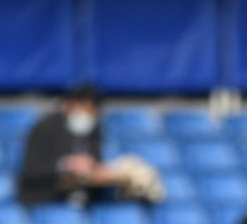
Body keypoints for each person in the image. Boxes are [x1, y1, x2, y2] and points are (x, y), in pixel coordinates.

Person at [18, 85, 164, 207]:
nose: (87, 116)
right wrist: (66, 165)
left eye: (92, 112)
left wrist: (103, 173)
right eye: (84, 109)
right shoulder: (44, 128)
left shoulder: (94, 130)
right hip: (45, 199)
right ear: (70, 105)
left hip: (84, 198)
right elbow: (32, 170)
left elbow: (93, 163)